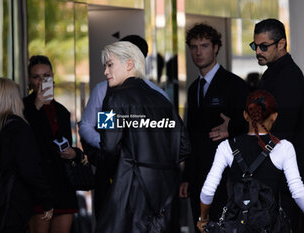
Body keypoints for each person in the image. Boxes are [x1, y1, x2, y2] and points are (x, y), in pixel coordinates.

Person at [95, 41, 189, 232]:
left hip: (129, 190)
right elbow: (185, 146)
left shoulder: (111, 98)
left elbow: (108, 147)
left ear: (129, 64)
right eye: (104, 66)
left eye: (110, 65)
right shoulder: (162, 99)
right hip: (165, 193)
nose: (105, 72)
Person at [78, 35, 170, 219]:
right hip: (120, 178)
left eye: (111, 63)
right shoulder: (108, 93)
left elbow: (110, 142)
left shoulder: (116, 96)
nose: (107, 70)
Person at [197, 90, 304, 232]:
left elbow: (208, 189)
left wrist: (203, 218)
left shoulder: (227, 147)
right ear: (274, 116)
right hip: (270, 226)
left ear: (245, 115)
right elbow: (297, 192)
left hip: (237, 226)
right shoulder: (284, 147)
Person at [180, 23, 248, 229]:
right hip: (199, 178)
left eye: (204, 46)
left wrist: (233, 127)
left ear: (216, 47)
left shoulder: (234, 85)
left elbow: (251, 125)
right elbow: (191, 135)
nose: (198, 52)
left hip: (226, 177)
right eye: (193, 47)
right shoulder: (193, 89)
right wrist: (187, 177)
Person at [0, 78, 53, 233]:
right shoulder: (18, 128)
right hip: (12, 205)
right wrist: (46, 201)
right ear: (12, 99)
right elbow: (30, 169)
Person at [251, 18, 304, 232]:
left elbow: (282, 130)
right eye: (255, 46)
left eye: (264, 46)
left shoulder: (289, 77)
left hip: (283, 179)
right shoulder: (273, 74)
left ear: (281, 44)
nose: (258, 52)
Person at [23, 55, 81, 233]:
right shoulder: (23, 107)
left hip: (62, 184)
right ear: (29, 81)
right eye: (36, 77)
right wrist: (36, 107)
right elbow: (23, 143)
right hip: (38, 186)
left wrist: (74, 153)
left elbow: (63, 143)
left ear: (53, 78)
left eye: (46, 77)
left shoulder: (62, 111)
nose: (41, 82)